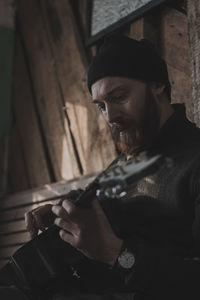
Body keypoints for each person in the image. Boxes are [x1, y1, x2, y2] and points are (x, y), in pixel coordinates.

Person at [3, 34, 200, 299]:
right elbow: (93, 199)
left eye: (119, 97)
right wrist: (60, 211)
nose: (111, 116)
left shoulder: (193, 159)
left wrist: (115, 252)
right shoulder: (129, 160)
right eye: (101, 107)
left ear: (157, 85)